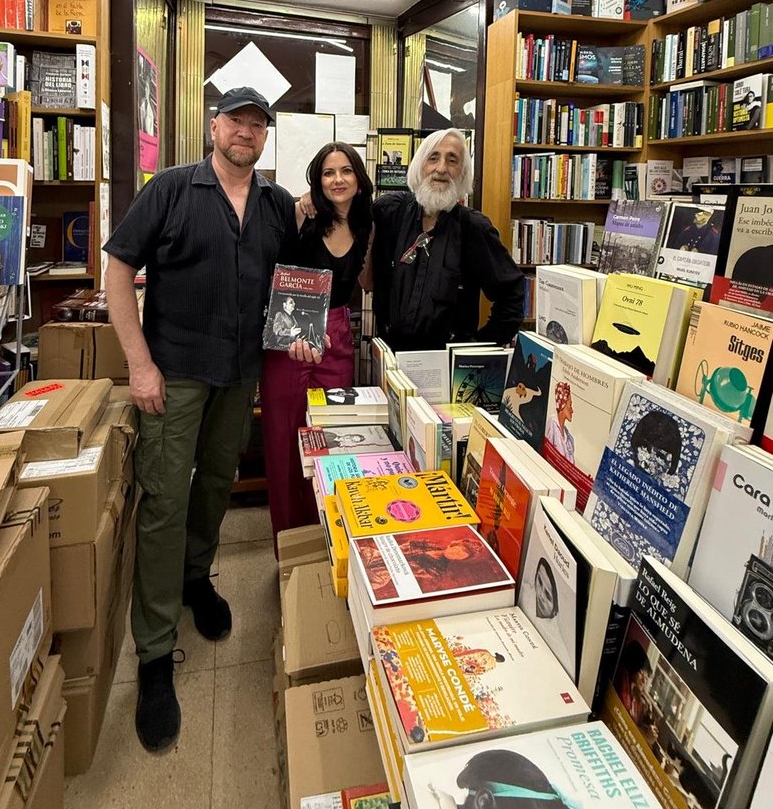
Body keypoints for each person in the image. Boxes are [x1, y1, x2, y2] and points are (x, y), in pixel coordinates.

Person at [103, 86, 298, 754]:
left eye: (258, 123)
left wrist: (299, 332)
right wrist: (139, 365)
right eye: (236, 120)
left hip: (240, 372)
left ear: (265, 136)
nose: (246, 131)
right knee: (163, 498)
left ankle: (195, 579)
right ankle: (155, 653)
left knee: (216, 484)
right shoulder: (171, 190)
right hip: (174, 373)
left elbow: (297, 281)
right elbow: (119, 269)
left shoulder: (274, 204)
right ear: (214, 125)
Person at [261, 141, 373, 548]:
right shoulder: (301, 215)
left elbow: (368, 281)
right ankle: (290, 543)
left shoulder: (366, 225)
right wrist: (298, 204)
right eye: (328, 172)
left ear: (359, 180)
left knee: (332, 438)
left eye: (346, 171)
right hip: (289, 335)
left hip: (338, 334)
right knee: (284, 438)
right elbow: (274, 271)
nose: (337, 179)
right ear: (317, 180)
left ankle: (330, 540)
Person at [369, 128, 524, 351]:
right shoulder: (390, 212)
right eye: (433, 157)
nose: (441, 168)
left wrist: (480, 348)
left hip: (448, 368)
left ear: (462, 173)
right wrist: (311, 199)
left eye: (452, 160)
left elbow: (512, 293)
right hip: (391, 361)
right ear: (420, 165)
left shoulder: (474, 228)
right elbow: (348, 216)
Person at [544, 381, 575, 463]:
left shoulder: (569, 438)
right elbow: (545, 453)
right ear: (563, 404)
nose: (572, 410)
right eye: (570, 405)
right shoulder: (552, 423)